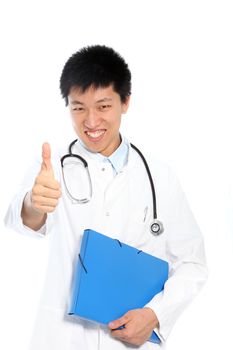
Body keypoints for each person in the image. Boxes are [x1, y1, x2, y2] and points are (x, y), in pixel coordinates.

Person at [4, 45, 208, 350]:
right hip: (62, 338)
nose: (91, 121)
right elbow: (26, 218)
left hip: (128, 341)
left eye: (103, 106)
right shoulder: (52, 166)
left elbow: (193, 263)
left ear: (125, 102)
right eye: (78, 108)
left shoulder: (159, 175)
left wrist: (155, 314)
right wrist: (35, 202)